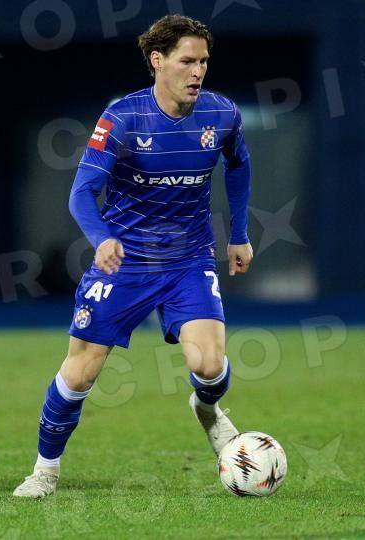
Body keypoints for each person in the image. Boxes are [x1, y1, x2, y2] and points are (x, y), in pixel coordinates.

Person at [13, 14, 253, 498]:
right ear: (157, 60)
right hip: (126, 261)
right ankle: (45, 471)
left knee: (209, 366)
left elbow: (239, 164)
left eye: (204, 61)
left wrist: (239, 234)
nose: (198, 72)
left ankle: (206, 408)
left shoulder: (223, 113)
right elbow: (82, 193)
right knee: (81, 371)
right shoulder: (123, 118)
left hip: (188, 259)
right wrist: (101, 238)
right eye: (187, 61)